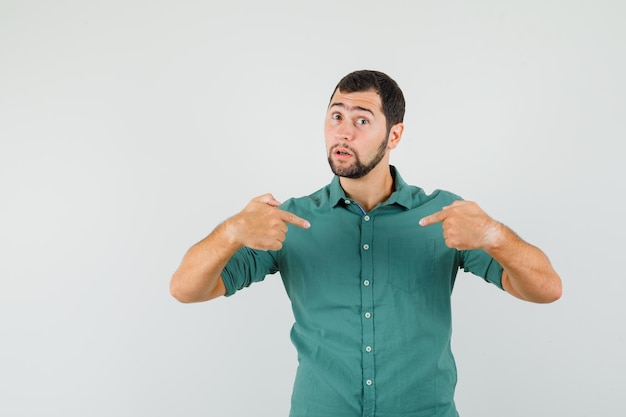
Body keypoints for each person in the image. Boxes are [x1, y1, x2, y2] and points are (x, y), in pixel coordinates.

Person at [169, 70, 562, 417]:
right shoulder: (286, 220)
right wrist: (232, 231)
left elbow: (546, 289)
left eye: (362, 120)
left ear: (395, 134)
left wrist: (493, 235)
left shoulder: (447, 215)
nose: (343, 131)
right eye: (336, 116)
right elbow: (186, 289)